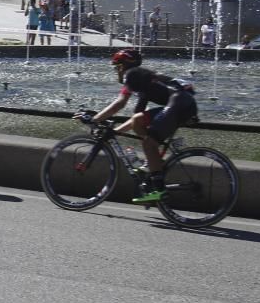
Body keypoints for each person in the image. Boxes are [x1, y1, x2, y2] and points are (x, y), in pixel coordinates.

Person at [78, 49, 198, 204]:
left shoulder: (132, 75)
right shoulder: (140, 80)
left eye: (116, 67)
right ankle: (154, 162)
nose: (116, 72)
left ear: (122, 66)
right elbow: (136, 118)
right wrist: (114, 132)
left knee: (149, 143)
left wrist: (94, 119)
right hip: (182, 104)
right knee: (139, 122)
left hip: (180, 103)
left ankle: (159, 189)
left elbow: (119, 105)